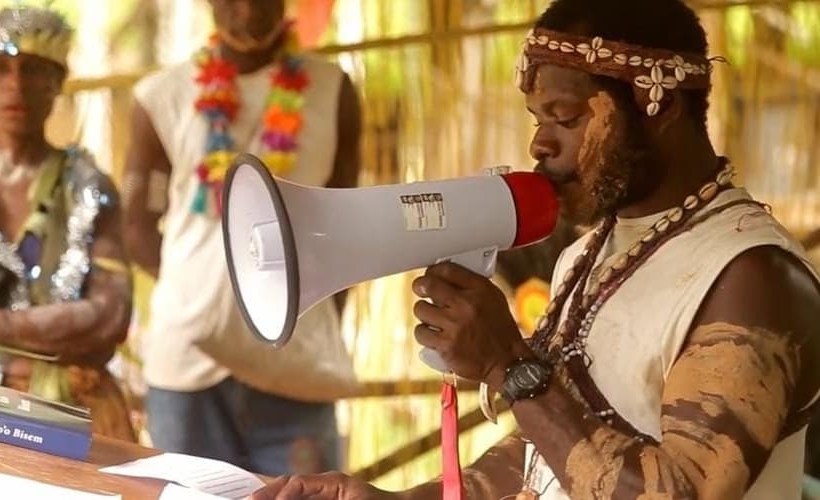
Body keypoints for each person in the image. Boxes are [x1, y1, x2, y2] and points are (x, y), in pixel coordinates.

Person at [254, 0, 820, 498]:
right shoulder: (586, 256)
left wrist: (510, 365)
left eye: (566, 118)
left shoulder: (751, 278)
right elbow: (551, 448)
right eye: (537, 118)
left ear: (661, 105)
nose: (539, 143)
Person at [122, 0, 361, 475]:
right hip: (187, 362)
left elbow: (346, 222)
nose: (249, 7)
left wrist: (304, 309)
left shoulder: (332, 89)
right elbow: (136, 227)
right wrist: (198, 297)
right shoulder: (161, 95)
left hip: (296, 361)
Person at [0, 6, 134, 440]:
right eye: (0, 69)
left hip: (70, 408)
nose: (16, 86)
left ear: (56, 83)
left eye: (32, 70)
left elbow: (110, 317)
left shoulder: (87, 185)